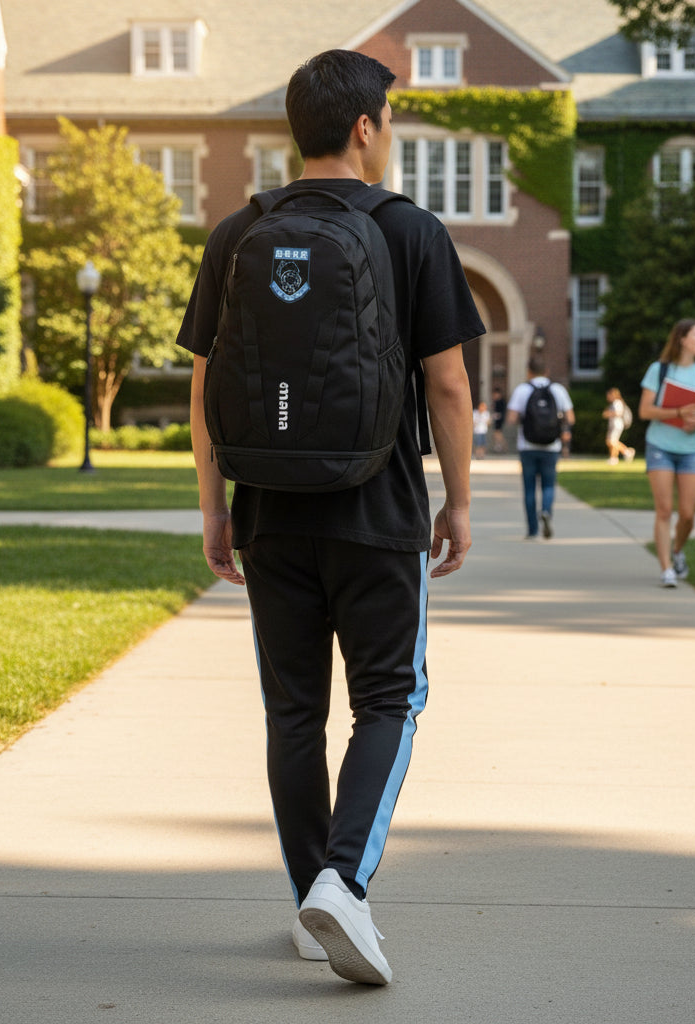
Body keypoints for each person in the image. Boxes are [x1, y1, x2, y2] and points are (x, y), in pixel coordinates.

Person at [178, 49, 482, 986]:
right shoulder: (410, 230)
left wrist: (216, 512)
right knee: (391, 698)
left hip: (269, 511)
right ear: (364, 128)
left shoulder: (238, 231)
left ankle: (311, 896)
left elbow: (202, 390)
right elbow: (448, 383)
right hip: (378, 510)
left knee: (293, 709)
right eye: (387, 121)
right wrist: (460, 500)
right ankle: (344, 882)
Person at [638, 319, 695, 588]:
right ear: (682, 338)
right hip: (660, 446)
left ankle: (678, 550)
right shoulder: (658, 370)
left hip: (691, 449)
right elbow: (645, 411)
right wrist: (676, 413)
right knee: (664, 510)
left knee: (688, 514)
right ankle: (666, 569)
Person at [505, 353, 574, 539]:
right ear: (547, 371)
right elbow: (571, 418)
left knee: (529, 488)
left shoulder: (522, 390)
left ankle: (532, 530)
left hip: (527, 445)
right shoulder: (558, 390)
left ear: (529, 371)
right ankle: (546, 511)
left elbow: (511, 419)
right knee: (548, 485)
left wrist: (526, 420)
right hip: (551, 446)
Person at [602, 387, 635, 465]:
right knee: (611, 441)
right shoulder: (614, 403)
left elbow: (618, 413)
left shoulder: (617, 402)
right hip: (613, 425)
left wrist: (608, 413)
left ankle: (626, 452)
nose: (607, 397)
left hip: (617, 425)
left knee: (612, 441)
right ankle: (614, 457)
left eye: (608, 395)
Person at [490, 386, 507, 453]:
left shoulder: (501, 401)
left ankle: (503, 446)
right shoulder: (496, 401)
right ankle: (499, 446)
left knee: (498, 433)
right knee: (496, 433)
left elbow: (502, 411)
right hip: (497, 419)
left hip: (499, 419)